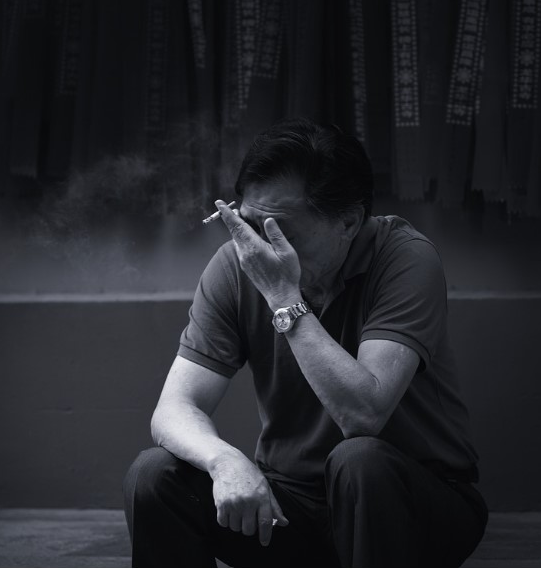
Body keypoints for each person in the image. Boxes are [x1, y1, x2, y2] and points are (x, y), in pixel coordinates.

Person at [123, 118, 487, 567]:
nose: (258, 248)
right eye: (250, 225)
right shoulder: (237, 263)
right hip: (293, 503)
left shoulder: (405, 257)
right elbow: (174, 410)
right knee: (154, 475)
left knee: (359, 459)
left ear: (349, 222)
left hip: (410, 501)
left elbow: (363, 415)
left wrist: (282, 296)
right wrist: (224, 460)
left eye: (280, 232)